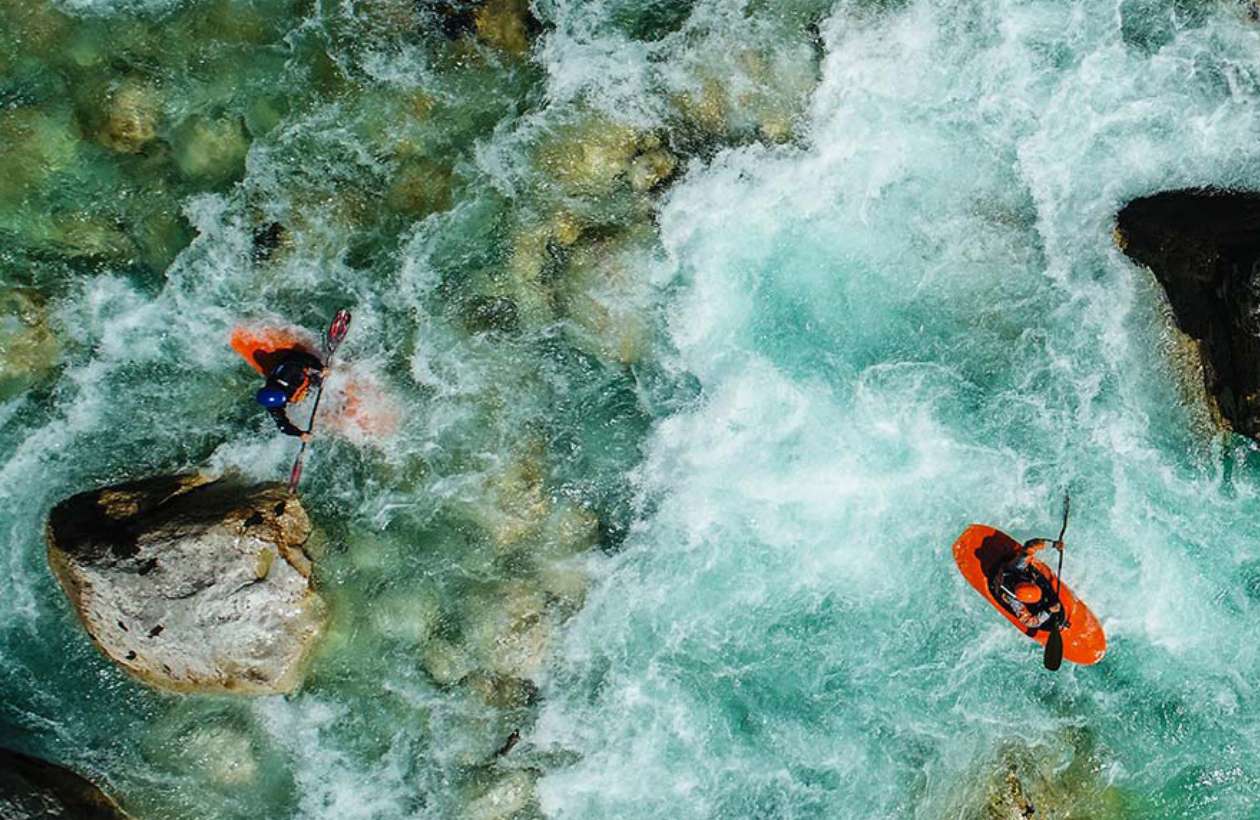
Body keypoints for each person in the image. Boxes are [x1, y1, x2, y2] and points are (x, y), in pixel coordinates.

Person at [992, 538, 1064, 632]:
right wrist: (1048, 611)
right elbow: (1030, 622)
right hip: (1000, 582)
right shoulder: (1014, 601)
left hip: (1008, 572)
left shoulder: (1017, 568)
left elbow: (1031, 545)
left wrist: (1054, 544)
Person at [255, 348, 326, 440]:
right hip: (301, 391)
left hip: (304, 376)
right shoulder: (273, 406)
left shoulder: (287, 373)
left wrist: (320, 367)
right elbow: (283, 426)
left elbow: (299, 357)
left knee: (319, 376)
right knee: (324, 416)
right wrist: (300, 434)